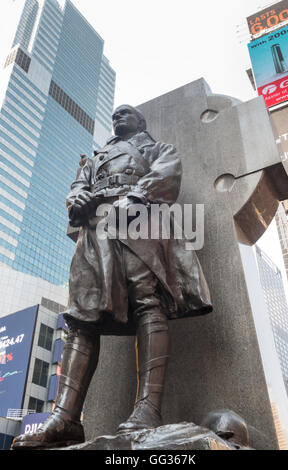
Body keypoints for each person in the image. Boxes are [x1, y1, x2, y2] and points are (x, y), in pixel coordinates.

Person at [12, 105, 212, 450]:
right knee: (80, 317)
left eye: (126, 113)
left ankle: (148, 410)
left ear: (141, 121)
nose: (118, 117)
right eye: (115, 115)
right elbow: (75, 189)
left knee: (148, 300)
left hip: (138, 218)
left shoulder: (158, 148)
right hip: (96, 228)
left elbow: (167, 176)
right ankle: (66, 418)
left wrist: (135, 196)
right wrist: (78, 199)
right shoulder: (93, 158)